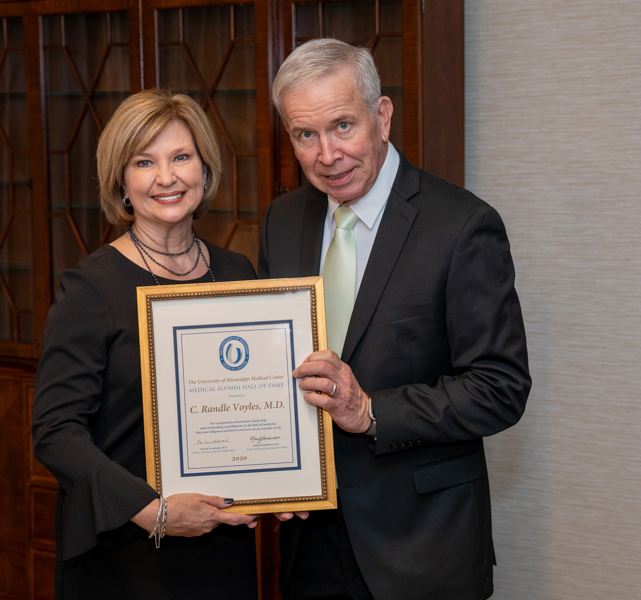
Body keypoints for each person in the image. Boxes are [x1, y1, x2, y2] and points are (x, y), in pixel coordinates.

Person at [259, 38, 531, 600]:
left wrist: (371, 411)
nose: (326, 155)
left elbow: (500, 388)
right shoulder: (282, 220)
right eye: (305, 135)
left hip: (423, 550)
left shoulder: (462, 226)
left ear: (381, 117)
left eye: (342, 126)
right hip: (309, 547)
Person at [33, 89, 259, 600]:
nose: (166, 177)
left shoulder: (236, 273)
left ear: (205, 167)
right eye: (144, 162)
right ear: (122, 182)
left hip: (219, 538)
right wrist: (154, 511)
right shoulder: (90, 287)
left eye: (181, 156)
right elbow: (55, 432)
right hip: (125, 547)